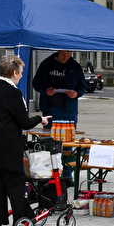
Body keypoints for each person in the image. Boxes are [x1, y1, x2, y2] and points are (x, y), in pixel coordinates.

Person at [0, 55, 51, 226]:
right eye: (21, 73)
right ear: (15, 73)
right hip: (6, 148)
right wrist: (39, 119)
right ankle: (22, 221)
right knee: (16, 184)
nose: (21, 76)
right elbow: (24, 121)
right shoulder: (12, 92)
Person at [32, 50, 86, 186]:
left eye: (69, 56)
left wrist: (76, 93)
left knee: (68, 144)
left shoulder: (75, 66)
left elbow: (82, 85)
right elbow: (36, 83)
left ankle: (67, 175)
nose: (66, 58)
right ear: (59, 52)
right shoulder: (47, 64)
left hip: (69, 111)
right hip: (50, 110)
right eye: (63, 55)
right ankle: (48, 174)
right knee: (49, 143)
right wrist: (46, 90)